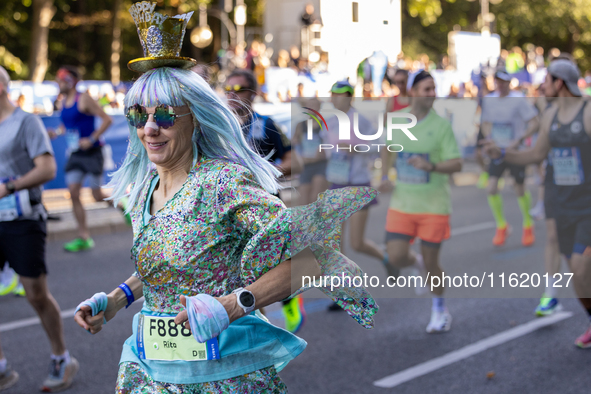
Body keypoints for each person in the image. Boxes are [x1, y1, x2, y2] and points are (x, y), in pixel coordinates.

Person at [74, 7, 379, 389]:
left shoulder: (223, 184)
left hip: (224, 379)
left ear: (196, 119)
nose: (150, 128)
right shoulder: (144, 190)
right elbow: (168, 263)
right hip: (149, 372)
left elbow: (313, 256)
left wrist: (234, 304)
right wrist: (116, 300)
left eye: (166, 115)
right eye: (139, 115)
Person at [483, 59, 591, 348]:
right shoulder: (550, 115)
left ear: (560, 83)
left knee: (582, 268)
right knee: (577, 275)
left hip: (587, 204)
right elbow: (535, 156)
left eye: (547, 80)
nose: (541, 86)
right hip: (559, 199)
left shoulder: (588, 112)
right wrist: (501, 153)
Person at [0, 65, 78, 392]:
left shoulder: (25, 122)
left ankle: (62, 357)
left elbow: (47, 167)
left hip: (22, 219)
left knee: (35, 294)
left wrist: (9, 187)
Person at [379, 70, 463, 333]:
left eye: (434, 89)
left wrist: (431, 165)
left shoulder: (441, 126)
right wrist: (384, 175)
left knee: (432, 262)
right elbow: (387, 149)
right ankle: (416, 265)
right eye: (427, 89)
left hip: (433, 207)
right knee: (396, 256)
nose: (432, 94)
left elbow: (457, 163)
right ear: (413, 91)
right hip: (402, 203)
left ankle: (440, 308)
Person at [224, 68, 305, 333]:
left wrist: (264, 171)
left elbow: (295, 162)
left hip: (265, 205)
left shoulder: (266, 125)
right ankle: (256, 319)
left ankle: (290, 299)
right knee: (240, 269)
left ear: (252, 93)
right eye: (228, 90)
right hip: (230, 210)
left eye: (239, 90)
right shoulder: (217, 127)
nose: (232, 96)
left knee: (270, 263)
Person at [324, 80, 388, 309]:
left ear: (350, 97)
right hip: (337, 186)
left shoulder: (360, 121)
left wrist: (355, 148)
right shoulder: (329, 123)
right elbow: (327, 153)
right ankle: (345, 293)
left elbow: (377, 146)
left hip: (358, 184)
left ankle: (387, 258)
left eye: (339, 94)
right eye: (332, 94)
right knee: (336, 245)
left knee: (357, 243)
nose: (334, 98)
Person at [54, 66, 114, 252]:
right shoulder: (64, 101)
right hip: (75, 153)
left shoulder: (84, 98)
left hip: (92, 152)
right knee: (73, 192)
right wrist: (54, 132)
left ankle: (121, 203)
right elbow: (67, 126)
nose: (59, 82)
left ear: (71, 81)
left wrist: (92, 139)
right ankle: (83, 236)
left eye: (62, 79)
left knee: (96, 196)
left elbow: (107, 119)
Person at [481, 69, 539, 247]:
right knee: (491, 187)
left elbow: (535, 122)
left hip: (515, 150)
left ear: (509, 83)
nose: (500, 84)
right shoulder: (489, 100)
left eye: (504, 81)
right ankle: (501, 225)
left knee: (519, 188)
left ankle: (528, 224)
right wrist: (489, 139)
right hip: (497, 150)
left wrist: (519, 140)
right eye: (497, 81)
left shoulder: (518, 99)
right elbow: (484, 122)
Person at [292, 98, 329, 206]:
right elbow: (294, 144)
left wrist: (323, 149)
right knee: (303, 200)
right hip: (306, 164)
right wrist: (299, 156)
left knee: (316, 198)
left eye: (315, 105)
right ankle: (307, 223)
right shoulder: (300, 125)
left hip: (321, 164)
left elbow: (331, 143)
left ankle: (318, 222)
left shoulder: (324, 124)